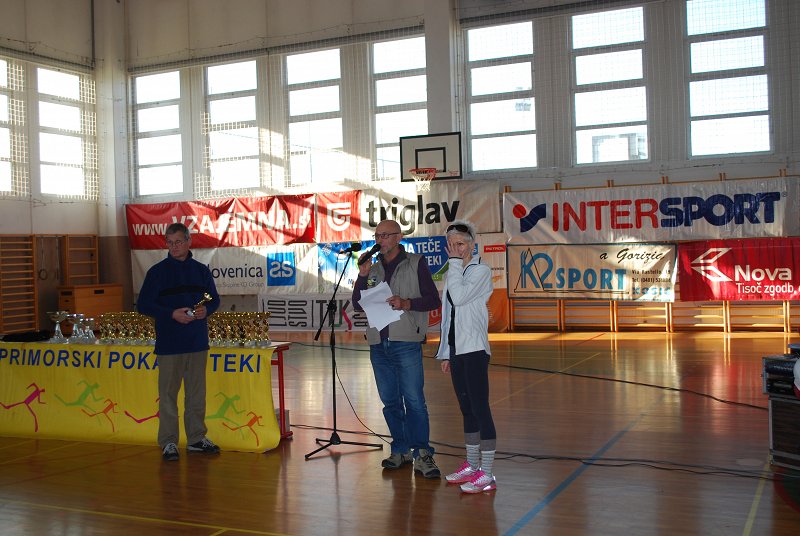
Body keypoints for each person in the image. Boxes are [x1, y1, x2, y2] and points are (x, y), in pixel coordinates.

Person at [352, 219, 442, 478]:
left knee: (414, 400)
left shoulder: (416, 262)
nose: (380, 240)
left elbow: (433, 299)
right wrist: (362, 276)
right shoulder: (373, 268)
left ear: (398, 237)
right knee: (390, 400)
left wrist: (406, 303)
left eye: (385, 235)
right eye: (377, 235)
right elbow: (358, 304)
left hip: (406, 341)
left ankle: (422, 453)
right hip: (378, 343)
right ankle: (400, 450)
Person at [137, 222, 221, 461]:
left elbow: (214, 300)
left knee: (196, 395)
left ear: (189, 241)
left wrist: (206, 310)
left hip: (197, 343)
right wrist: (170, 314)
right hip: (170, 344)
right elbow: (143, 305)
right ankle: (169, 442)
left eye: (178, 242)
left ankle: (196, 439)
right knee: (168, 396)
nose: (174, 247)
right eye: (170, 242)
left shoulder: (201, 271)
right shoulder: (157, 272)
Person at [436, 220, 497, 493]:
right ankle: (472, 466)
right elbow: (449, 317)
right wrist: (447, 353)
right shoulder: (455, 271)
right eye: (451, 245)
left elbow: (459, 298)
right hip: (457, 351)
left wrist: (453, 264)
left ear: (472, 245)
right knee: (467, 409)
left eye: (460, 244)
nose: (455, 249)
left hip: (474, 349)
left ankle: (487, 473)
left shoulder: (480, 270)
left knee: (480, 408)